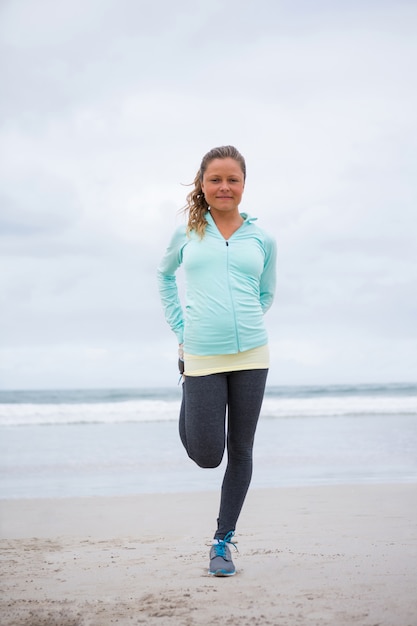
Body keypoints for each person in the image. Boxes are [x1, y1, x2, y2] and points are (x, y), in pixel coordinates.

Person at [157, 145, 276, 576]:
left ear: (243, 185)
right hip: (202, 354)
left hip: (252, 355)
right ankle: (185, 382)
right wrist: (182, 329)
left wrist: (242, 321)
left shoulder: (262, 238)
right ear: (202, 185)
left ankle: (223, 541)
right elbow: (164, 275)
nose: (224, 187)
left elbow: (266, 292)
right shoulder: (188, 233)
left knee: (240, 449)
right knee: (207, 455)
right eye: (215, 179)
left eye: (232, 179)